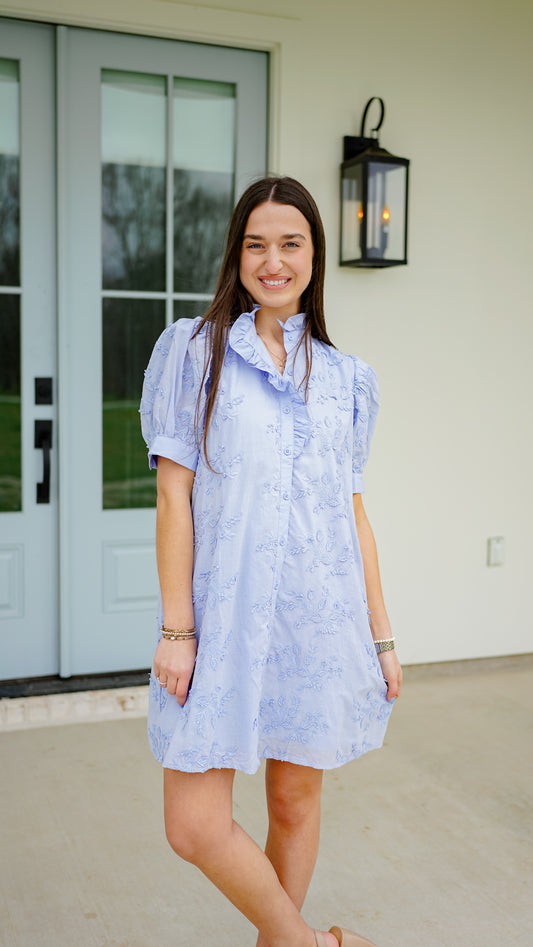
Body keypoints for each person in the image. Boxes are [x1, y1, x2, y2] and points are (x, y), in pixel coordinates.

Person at [140, 176, 402, 947]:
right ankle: (309, 942)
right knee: (193, 825)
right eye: (256, 243)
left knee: (293, 802)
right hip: (218, 623)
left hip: (317, 622)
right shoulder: (195, 351)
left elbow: (348, 512)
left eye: (290, 243)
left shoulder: (347, 380)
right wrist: (177, 628)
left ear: (314, 256)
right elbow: (171, 499)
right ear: (237, 254)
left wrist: (380, 636)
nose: (272, 260)